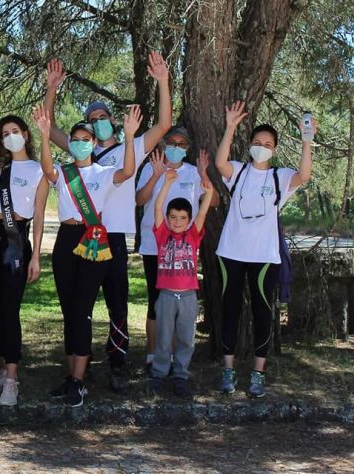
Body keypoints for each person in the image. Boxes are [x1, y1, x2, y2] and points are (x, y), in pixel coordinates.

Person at [44, 54, 172, 392]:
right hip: (80, 237)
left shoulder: (131, 147)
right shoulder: (82, 151)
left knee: (117, 302)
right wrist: (52, 89)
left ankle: (117, 363)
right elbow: (51, 128)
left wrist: (162, 81)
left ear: (113, 121)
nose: (97, 123)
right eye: (91, 119)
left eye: (102, 118)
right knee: (77, 305)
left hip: (113, 237)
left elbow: (162, 126)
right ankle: (74, 370)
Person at [34, 103, 139, 408]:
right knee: (69, 311)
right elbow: (47, 169)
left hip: (93, 240)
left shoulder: (104, 173)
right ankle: (72, 378)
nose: (80, 143)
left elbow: (128, 171)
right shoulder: (65, 173)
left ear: (94, 143)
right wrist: (43, 136)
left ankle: (79, 382)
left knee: (82, 310)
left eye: (86, 139)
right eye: (75, 139)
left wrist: (130, 138)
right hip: (66, 240)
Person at [214, 101, 315, 398]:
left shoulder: (280, 177)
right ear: (249, 145)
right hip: (231, 251)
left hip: (264, 256)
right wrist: (231, 126)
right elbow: (220, 163)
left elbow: (304, 176)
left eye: (268, 144)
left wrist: (307, 141)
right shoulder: (239, 171)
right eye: (257, 142)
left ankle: (258, 373)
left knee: (262, 313)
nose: (262, 147)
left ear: (274, 149)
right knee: (229, 310)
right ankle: (228, 370)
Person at [0, 110, 49, 406]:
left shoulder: (39, 170)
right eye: (4, 134)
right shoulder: (0, 169)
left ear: (26, 135)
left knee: (10, 308)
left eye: (14, 131)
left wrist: (37, 257)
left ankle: (11, 380)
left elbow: (41, 216)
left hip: (16, 240)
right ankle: (3, 366)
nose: (10, 137)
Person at [135, 130, 210, 372]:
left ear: (187, 148)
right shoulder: (151, 167)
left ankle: (175, 359)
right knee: (156, 303)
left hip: (182, 250)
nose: (176, 147)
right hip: (154, 244)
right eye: (172, 142)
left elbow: (212, 201)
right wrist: (157, 176)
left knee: (178, 306)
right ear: (164, 144)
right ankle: (153, 354)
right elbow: (139, 199)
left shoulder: (191, 172)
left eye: (182, 144)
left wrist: (204, 175)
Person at [148, 164, 214, 398]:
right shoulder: (162, 233)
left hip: (188, 296)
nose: (177, 222)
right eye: (173, 217)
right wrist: (166, 183)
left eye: (182, 218)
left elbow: (203, 212)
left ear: (188, 220)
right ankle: (158, 373)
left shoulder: (193, 234)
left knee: (186, 339)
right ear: (167, 219)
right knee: (164, 337)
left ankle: (180, 376)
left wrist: (209, 192)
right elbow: (157, 206)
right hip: (166, 295)